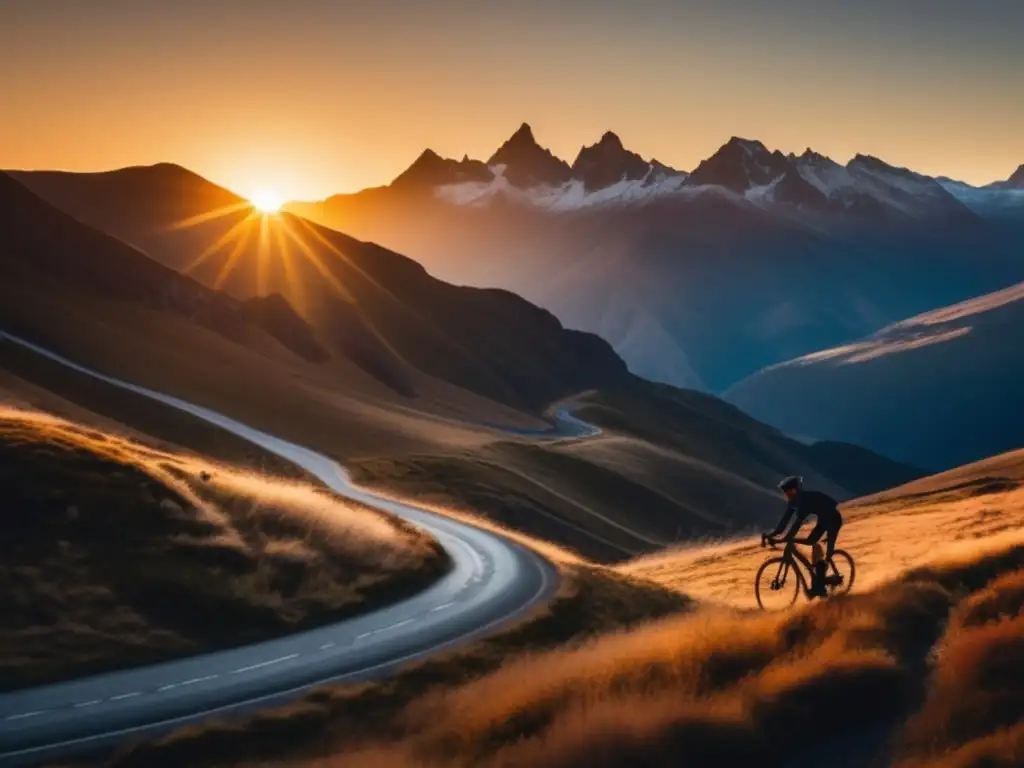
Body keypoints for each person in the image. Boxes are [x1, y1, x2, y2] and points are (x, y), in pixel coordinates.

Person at [763, 475, 843, 598]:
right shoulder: (793, 502)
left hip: (833, 519)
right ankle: (816, 578)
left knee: (818, 546)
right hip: (823, 518)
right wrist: (772, 535)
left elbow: (796, 524)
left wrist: (784, 539)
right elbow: (784, 522)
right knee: (811, 541)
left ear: (794, 490)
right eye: (785, 493)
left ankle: (820, 587)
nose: (786, 495)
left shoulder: (803, 501)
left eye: (787, 492)